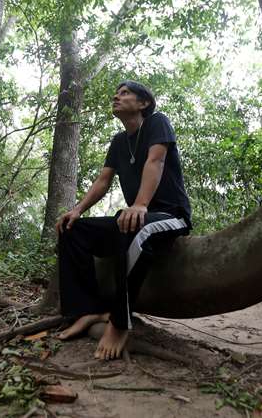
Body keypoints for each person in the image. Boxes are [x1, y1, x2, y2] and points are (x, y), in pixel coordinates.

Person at [55, 80, 192, 360]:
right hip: (136, 218)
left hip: (170, 215)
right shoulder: (119, 142)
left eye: (125, 93)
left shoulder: (157, 122)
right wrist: (78, 210)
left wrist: (141, 204)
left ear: (143, 103)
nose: (116, 97)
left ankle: (119, 322)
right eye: (116, 94)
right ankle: (87, 309)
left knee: (134, 227)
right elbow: (103, 181)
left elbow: (156, 162)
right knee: (73, 230)